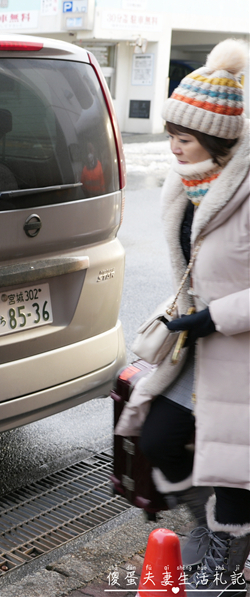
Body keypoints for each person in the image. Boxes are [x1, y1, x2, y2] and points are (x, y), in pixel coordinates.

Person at [115, 38, 249, 595]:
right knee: (162, 438)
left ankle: (229, 546)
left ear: (216, 142)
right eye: (169, 135)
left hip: (240, 352)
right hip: (193, 344)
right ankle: (208, 524)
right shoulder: (184, 184)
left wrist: (216, 317)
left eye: (182, 138)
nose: (170, 147)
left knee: (237, 469)